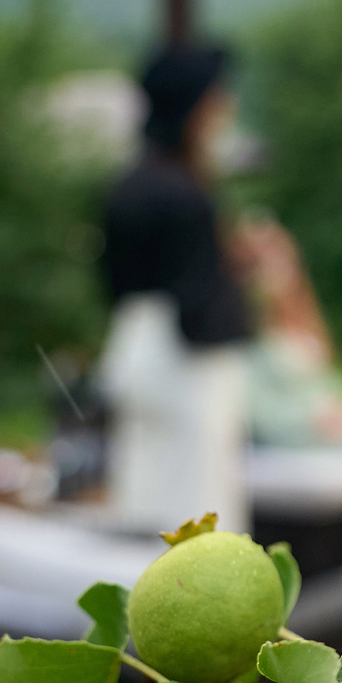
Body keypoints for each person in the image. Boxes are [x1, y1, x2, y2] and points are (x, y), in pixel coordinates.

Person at [96, 45, 251, 533]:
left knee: (142, 499)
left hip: (132, 347)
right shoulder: (187, 192)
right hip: (187, 364)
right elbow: (199, 297)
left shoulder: (126, 185)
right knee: (200, 513)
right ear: (197, 108)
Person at [239, 210, 342, 448]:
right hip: (299, 437)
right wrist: (315, 419)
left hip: (337, 425)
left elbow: (326, 383)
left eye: (278, 252)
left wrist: (341, 410)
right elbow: (256, 413)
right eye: (262, 257)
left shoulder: (303, 318)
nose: (275, 265)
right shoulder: (248, 332)